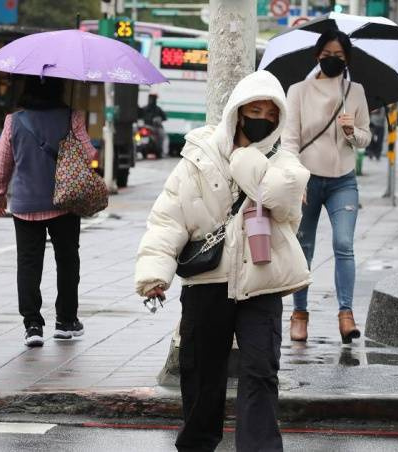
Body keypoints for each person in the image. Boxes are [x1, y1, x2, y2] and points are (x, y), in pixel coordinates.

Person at [135, 70, 311, 452]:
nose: (261, 117)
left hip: (261, 282)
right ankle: (197, 446)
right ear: (237, 110)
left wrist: (246, 158)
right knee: (201, 375)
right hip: (206, 281)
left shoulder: (286, 161)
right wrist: (154, 273)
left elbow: (282, 202)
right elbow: (168, 219)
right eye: (254, 108)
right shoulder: (198, 156)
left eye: (270, 112)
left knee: (261, 372)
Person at [281, 29, 371, 343]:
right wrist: (295, 178)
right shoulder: (298, 91)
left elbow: (364, 138)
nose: (332, 60)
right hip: (307, 180)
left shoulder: (355, 91)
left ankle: (346, 315)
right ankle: (299, 314)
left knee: (344, 245)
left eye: (339, 57)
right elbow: (289, 141)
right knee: (302, 249)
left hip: (343, 181)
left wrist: (351, 131)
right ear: (317, 55)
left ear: (347, 61)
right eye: (327, 55)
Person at [0, 75, 91, 347]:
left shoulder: (14, 120)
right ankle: (66, 321)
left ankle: (32, 325)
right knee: (67, 261)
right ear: (59, 88)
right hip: (64, 203)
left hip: (25, 204)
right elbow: (88, 154)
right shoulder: (73, 117)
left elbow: (2, 162)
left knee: (28, 264)